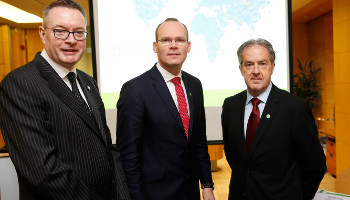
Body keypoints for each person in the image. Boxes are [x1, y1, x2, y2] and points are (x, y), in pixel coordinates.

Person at [0, 0, 130, 199]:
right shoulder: (20, 83)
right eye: (60, 31)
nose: (71, 40)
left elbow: (105, 149)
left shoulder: (87, 81)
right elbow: (42, 172)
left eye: (79, 32)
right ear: (43, 34)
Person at [116, 18, 215, 200]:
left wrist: (207, 184)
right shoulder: (135, 90)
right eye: (166, 40)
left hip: (190, 190)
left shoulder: (195, 85)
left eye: (179, 40)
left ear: (188, 46)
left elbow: (199, 140)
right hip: (155, 193)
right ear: (155, 46)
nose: (173, 45)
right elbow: (129, 157)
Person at [221, 38, 327, 200]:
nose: (255, 70)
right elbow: (234, 156)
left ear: (272, 67)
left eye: (262, 63)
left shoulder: (295, 108)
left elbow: (315, 165)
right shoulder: (230, 106)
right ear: (241, 69)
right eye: (249, 64)